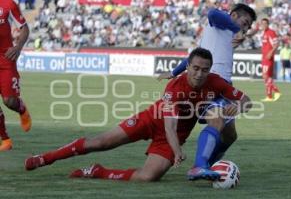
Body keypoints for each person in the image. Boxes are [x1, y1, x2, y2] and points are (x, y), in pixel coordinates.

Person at [25, 48, 252, 182]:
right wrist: (177, 152)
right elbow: (170, 126)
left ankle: (98, 172)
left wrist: (238, 108)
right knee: (101, 142)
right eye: (195, 68)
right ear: (188, 66)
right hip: (152, 120)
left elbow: (246, 101)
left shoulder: (216, 82)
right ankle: (45, 158)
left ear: (209, 69)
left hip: (173, 135)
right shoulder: (175, 87)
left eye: (204, 69)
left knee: (148, 177)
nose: (200, 74)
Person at [157, 3, 256, 180]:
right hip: (208, 82)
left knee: (230, 135)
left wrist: (174, 72)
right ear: (233, 15)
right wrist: (237, 29)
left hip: (224, 88)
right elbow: (212, 13)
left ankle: (208, 165)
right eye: (245, 22)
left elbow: (193, 56)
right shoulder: (218, 23)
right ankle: (199, 166)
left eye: (248, 26)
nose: (246, 27)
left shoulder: (229, 33)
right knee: (216, 120)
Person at [0, 0, 32, 151]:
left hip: (6, 58)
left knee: (9, 101)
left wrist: (18, 47)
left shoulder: (8, 4)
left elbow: (24, 28)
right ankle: (6, 140)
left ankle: (21, 109)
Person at [260, 18, 281, 102]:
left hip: (268, 58)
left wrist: (270, 53)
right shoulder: (264, 33)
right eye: (262, 24)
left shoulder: (271, 32)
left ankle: (276, 91)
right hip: (264, 57)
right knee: (268, 77)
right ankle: (269, 96)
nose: (263, 25)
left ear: (268, 24)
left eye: (265, 24)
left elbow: (276, 44)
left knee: (265, 76)